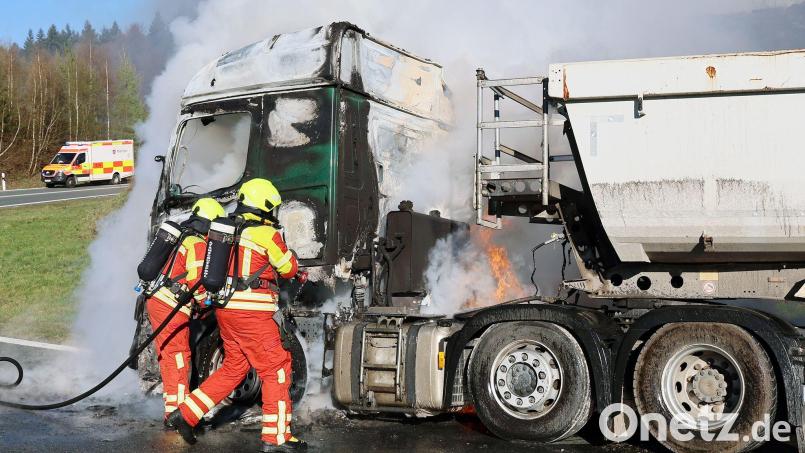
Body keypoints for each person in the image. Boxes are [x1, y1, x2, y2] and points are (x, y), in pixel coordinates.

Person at [169, 178, 308, 452]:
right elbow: (289, 269)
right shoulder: (266, 234)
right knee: (277, 369)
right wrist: (288, 253)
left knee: (235, 368)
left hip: (225, 312)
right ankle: (276, 437)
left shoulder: (223, 230)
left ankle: (185, 414)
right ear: (265, 207)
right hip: (253, 314)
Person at [146, 198, 226, 427]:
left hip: (158, 300)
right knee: (179, 358)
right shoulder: (197, 244)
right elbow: (197, 284)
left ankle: (173, 409)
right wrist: (210, 304)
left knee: (170, 356)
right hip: (171, 305)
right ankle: (177, 417)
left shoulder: (180, 236)